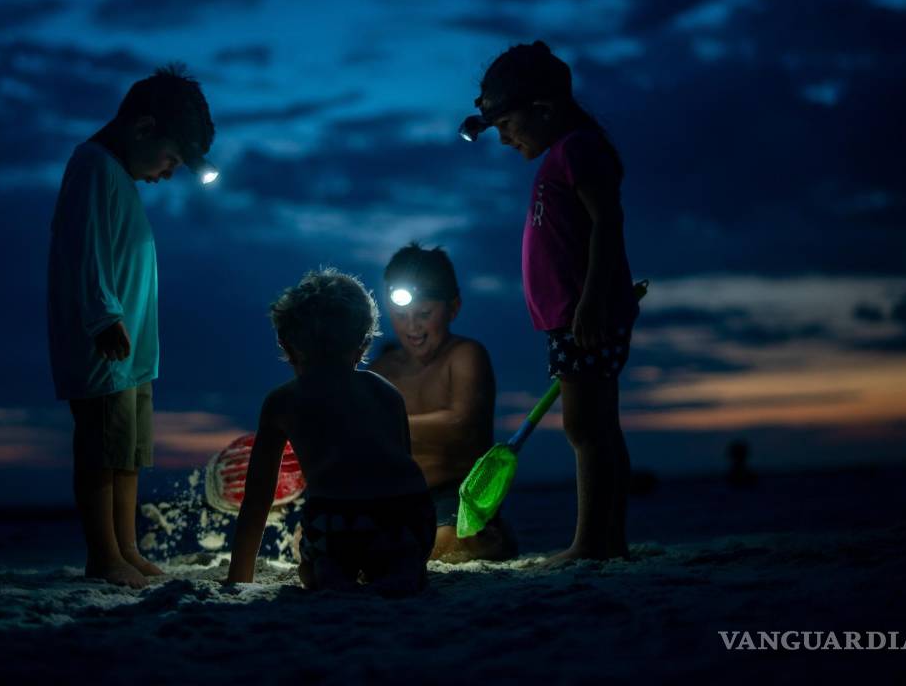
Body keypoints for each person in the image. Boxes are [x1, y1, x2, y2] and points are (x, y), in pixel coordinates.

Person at [458, 41, 639, 562]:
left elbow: (608, 222)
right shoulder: (561, 155)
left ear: (542, 109)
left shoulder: (578, 148)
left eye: (506, 124)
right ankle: (606, 541)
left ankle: (594, 544)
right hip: (571, 319)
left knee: (588, 427)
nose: (503, 138)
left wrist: (592, 300)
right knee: (591, 425)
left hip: (586, 316)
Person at [48, 64, 215, 588]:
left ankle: (127, 546)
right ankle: (104, 554)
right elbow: (86, 249)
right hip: (106, 345)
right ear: (143, 129)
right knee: (101, 449)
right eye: (170, 159)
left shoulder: (118, 175)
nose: (168, 174)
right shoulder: (93, 165)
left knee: (128, 452)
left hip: (134, 353)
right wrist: (103, 317)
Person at [226, 268, 435, 595]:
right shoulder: (386, 392)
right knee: (394, 545)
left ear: (286, 345)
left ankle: (328, 571)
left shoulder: (283, 401)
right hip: (411, 519)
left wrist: (238, 576)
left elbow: (257, 498)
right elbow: (404, 467)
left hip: (340, 522)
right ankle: (402, 566)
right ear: (363, 345)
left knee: (308, 555)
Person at [368, 243, 517, 562]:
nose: (413, 327)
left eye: (424, 314)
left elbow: (460, 423)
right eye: (401, 315)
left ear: (453, 308)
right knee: (316, 537)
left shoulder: (465, 356)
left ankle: (487, 535)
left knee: (446, 544)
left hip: (455, 494)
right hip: (392, 497)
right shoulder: (379, 370)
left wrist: (373, 426)